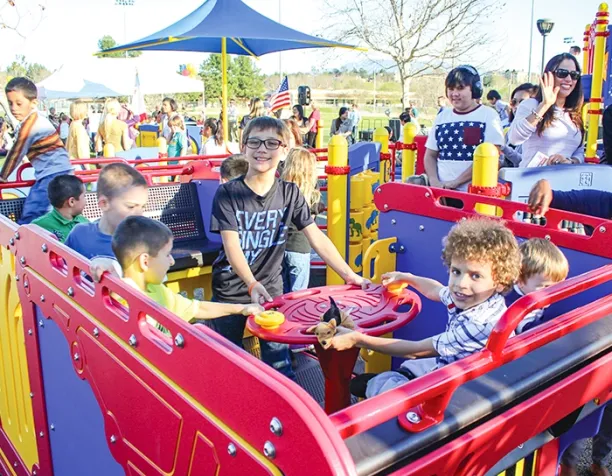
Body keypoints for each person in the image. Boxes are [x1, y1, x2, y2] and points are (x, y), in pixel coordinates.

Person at [209, 116, 368, 379]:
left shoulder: (289, 192)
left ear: (284, 151)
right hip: (231, 290)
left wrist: (349, 274)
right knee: (229, 361)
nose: (262, 149)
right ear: (243, 146)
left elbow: (316, 237)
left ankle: (282, 413)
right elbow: (232, 245)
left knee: (279, 361)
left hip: (272, 290)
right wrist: (250, 283)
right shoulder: (229, 194)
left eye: (272, 143)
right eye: (255, 142)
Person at [330, 217, 521, 398]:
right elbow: (436, 290)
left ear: (500, 283)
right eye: (456, 271)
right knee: (414, 366)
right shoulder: (478, 299)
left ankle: (380, 386)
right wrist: (408, 277)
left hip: (465, 391)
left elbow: (415, 349)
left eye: (475, 276)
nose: (460, 283)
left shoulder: (479, 324)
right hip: (460, 365)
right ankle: (397, 379)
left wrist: (358, 339)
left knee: (386, 389)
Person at [111, 216, 264, 328]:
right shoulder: (123, 297)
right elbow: (116, 289)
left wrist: (241, 308)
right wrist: (105, 264)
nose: (171, 261)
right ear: (145, 261)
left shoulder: (158, 290)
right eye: (167, 255)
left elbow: (198, 308)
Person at [1, 77, 73, 224]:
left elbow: (16, 151)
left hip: (52, 175)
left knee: (32, 214)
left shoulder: (31, 124)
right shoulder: (37, 120)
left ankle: (24, 241)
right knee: (54, 217)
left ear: (33, 102)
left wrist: (3, 176)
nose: (13, 108)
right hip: (62, 172)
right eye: (10, 103)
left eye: (19, 103)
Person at [423, 65, 504, 191]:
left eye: (460, 88)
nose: (454, 94)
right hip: (441, 193)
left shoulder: (489, 115)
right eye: (450, 89)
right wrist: (434, 181)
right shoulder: (442, 117)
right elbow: (430, 155)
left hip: (476, 194)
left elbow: (493, 156)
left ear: (475, 89)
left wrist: (457, 182)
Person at [508, 53, 584, 168]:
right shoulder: (531, 105)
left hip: (564, 182)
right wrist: (545, 105)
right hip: (532, 181)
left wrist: (569, 161)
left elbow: (579, 152)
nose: (568, 79)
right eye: (562, 73)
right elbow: (514, 138)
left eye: (574, 75)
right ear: (549, 76)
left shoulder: (574, 114)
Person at [65, 163, 148, 263]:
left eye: (143, 207)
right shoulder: (79, 234)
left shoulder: (143, 244)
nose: (140, 215)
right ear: (104, 204)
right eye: (130, 206)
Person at [505, 238, 568, 333]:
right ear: (520, 281)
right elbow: (525, 330)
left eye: (557, 286)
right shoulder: (515, 305)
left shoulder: (530, 290)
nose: (552, 292)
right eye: (545, 287)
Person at [280, 148, 321, 293]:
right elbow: (311, 221)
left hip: (280, 248)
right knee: (299, 295)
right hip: (300, 247)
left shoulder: (280, 187)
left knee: (280, 294)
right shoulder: (312, 192)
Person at [32, 174, 88, 243]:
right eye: (84, 196)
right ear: (72, 201)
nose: (86, 200)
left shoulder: (84, 222)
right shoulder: (38, 226)